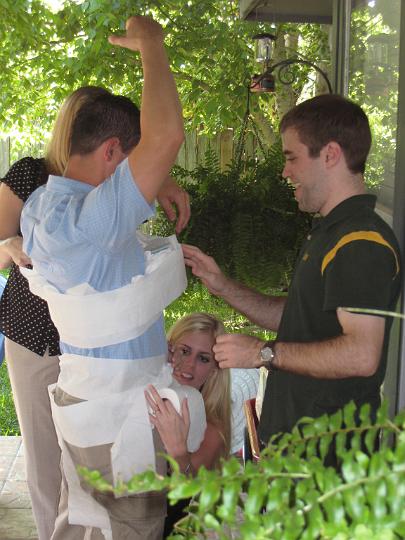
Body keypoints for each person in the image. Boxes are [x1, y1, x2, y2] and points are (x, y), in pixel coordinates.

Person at [0, 81, 189, 538]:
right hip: (85, 376)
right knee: (114, 512)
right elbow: (166, 139)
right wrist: (150, 42)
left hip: (87, 379)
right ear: (111, 150)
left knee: (81, 503)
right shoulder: (80, 210)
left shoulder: (49, 202)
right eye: (133, 162)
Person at [183, 94, 402, 454]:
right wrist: (224, 287)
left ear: (330, 155)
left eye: (292, 158)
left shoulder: (360, 241)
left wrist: (262, 353)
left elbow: (363, 355)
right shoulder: (331, 232)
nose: (285, 172)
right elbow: (302, 319)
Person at [144, 312, 231, 537]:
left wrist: (178, 451)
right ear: (170, 349)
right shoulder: (146, 395)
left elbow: (189, 486)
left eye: (203, 358)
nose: (189, 365)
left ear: (215, 368)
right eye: (184, 351)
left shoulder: (213, 428)